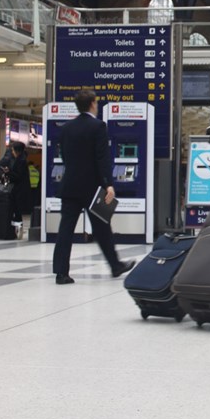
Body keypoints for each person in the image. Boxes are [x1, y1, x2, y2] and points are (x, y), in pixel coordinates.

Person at [52, 90, 135, 285]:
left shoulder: (66, 128)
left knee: (65, 229)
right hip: (92, 188)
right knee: (102, 227)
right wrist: (108, 184)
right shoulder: (98, 126)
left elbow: (64, 157)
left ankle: (61, 273)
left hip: (70, 186)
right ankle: (115, 266)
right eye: (96, 103)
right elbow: (102, 158)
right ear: (92, 104)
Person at [0, 141, 31, 239]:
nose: (11, 152)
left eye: (12, 150)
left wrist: (8, 172)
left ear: (16, 151)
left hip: (19, 190)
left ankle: (18, 231)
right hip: (18, 190)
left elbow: (18, 176)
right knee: (16, 211)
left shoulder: (20, 161)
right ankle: (17, 230)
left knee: (16, 210)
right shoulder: (20, 159)